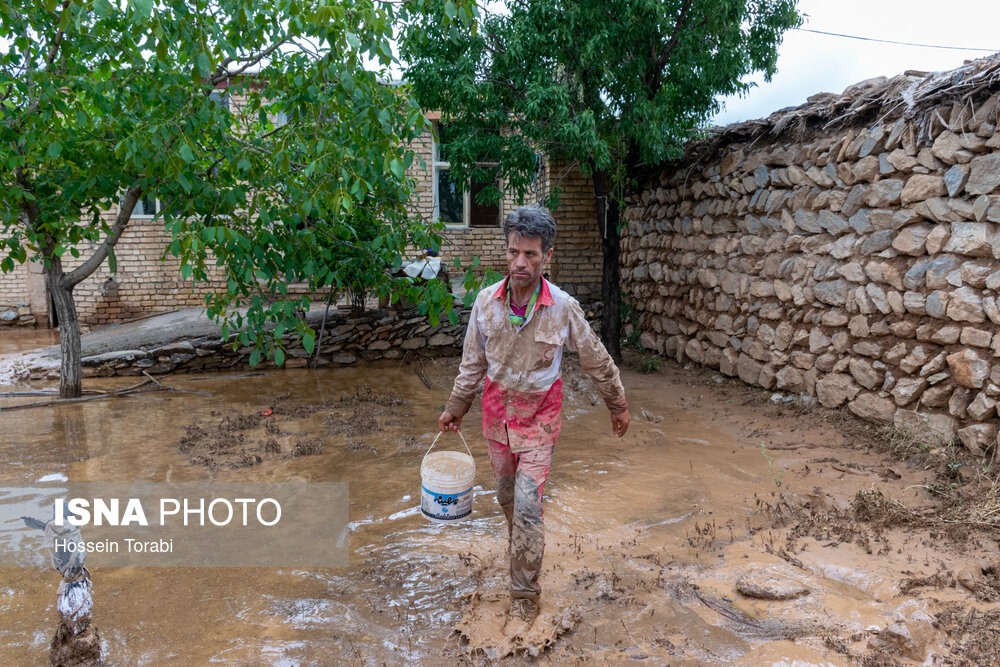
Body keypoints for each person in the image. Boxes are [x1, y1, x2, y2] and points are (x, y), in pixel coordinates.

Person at [438, 204, 630, 630]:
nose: (520, 263)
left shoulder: (562, 307)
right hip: (497, 418)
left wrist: (616, 404)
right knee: (508, 498)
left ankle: (524, 595)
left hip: (541, 419)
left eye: (530, 254)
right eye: (513, 253)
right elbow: (472, 364)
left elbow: (595, 359)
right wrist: (456, 406)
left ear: (547, 256)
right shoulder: (486, 303)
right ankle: (525, 544)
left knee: (526, 505)